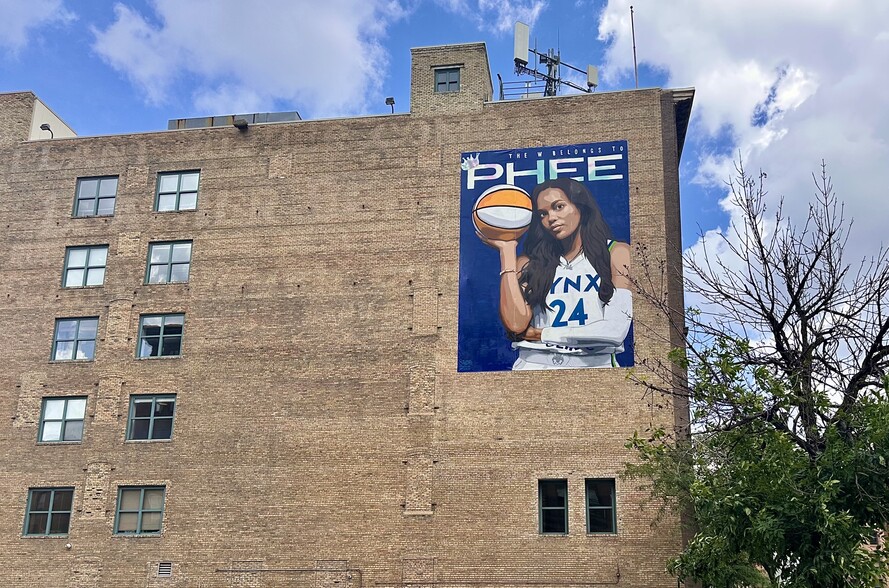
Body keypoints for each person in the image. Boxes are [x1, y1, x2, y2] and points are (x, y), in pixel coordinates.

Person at [480, 177, 632, 369]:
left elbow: (614, 331)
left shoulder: (616, 253)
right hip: (533, 365)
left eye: (558, 207)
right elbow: (516, 325)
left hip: (594, 365)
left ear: (580, 207)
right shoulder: (528, 262)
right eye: (542, 214)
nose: (550, 218)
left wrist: (540, 334)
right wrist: (508, 252)